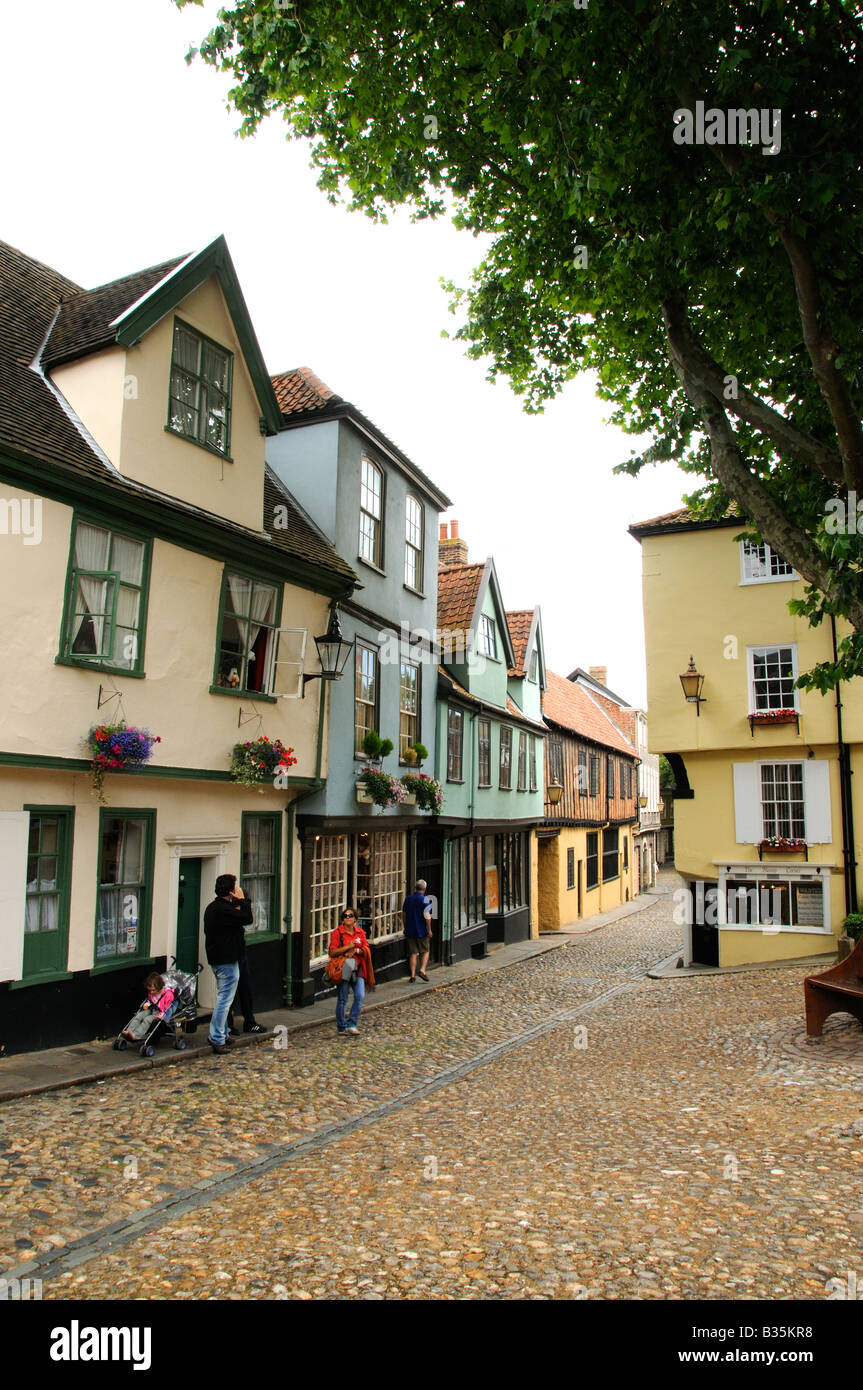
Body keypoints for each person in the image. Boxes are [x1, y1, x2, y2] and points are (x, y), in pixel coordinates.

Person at [204, 873, 253, 1055]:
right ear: (231, 891)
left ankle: (222, 1034)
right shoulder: (223, 910)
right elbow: (247, 918)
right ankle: (216, 1037)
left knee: (224, 997)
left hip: (218, 959)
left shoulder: (213, 908)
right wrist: (242, 900)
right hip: (226, 960)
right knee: (225, 999)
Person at [329, 907, 375, 1036]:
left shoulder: (360, 932)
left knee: (360, 996)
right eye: (345, 916)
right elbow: (332, 952)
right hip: (344, 968)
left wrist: (356, 950)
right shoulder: (337, 933)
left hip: (358, 968)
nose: (347, 918)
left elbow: (366, 948)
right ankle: (341, 1026)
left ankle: (352, 1023)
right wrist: (349, 946)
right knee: (342, 999)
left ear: (355, 918)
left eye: (350, 916)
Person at [121, 973, 176, 1042]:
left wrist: (162, 1015)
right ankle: (128, 1032)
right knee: (139, 1015)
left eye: (153, 990)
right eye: (150, 990)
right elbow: (150, 1000)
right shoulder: (151, 993)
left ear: (159, 987)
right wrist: (147, 1004)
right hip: (152, 1008)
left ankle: (136, 1035)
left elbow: (168, 1007)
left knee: (147, 1019)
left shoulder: (168, 994)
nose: (151, 992)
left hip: (160, 1012)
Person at [227, 955, 267, 1035]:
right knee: (229, 992)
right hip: (229, 956)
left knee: (246, 988)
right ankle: (228, 1025)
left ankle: (249, 1022)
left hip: (239, 953)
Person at [402, 878, 432, 982]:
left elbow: (404, 914)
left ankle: (412, 975)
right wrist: (429, 929)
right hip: (422, 929)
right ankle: (422, 970)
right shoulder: (425, 900)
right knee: (425, 951)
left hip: (410, 929)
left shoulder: (408, 899)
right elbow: (427, 916)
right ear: (424, 889)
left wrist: (405, 927)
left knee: (413, 953)